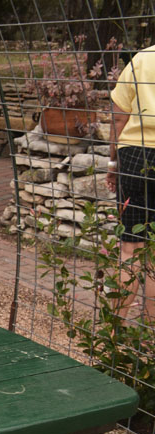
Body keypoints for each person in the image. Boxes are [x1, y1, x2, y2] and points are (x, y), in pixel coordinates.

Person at [106, 44, 155, 322]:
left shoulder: (143, 58)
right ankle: (149, 340)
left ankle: (113, 332)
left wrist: (113, 164)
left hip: (136, 154)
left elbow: (119, 118)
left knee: (130, 249)